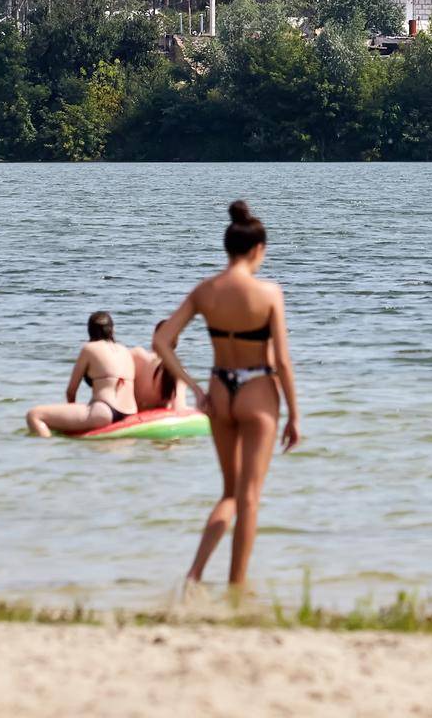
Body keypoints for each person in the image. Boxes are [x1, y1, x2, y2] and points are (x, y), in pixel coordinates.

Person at [154, 201, 301, 590]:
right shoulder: (269, 293)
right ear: (257, 250)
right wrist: (295, 415)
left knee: (229, 493)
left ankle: (194, 575)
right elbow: (283, 361)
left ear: (228, 249)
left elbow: (162, 340)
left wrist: (196, 386)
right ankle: (237, 587)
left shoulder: (206, 291)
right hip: (257, 390)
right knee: (250, 497)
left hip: (219, 390)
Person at [26, 311, 139, 436]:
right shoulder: (125, 350)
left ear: (89, 331)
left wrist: (70, 416)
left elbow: (71, 391)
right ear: (113, 330)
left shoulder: (89, 348)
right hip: (130, 412)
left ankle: (48, 448)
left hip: (104, 412)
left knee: (34, 415)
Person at [130, 320, 187, 413]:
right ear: (176, 342)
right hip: (156, 423)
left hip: (130, 418)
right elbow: (178, 408)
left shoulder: (137, 355)